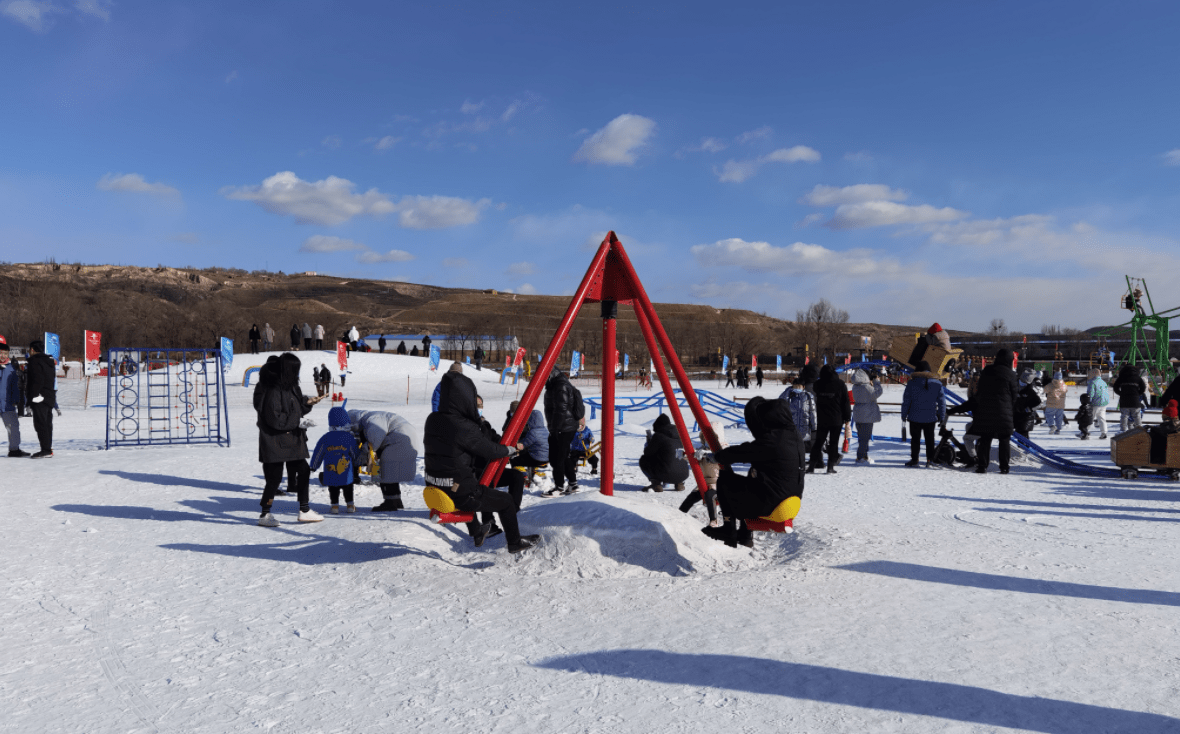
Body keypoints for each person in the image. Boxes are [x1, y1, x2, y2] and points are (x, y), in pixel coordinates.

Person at [423, 370, 539, 553]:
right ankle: (514, 542)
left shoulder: (433, 419)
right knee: (506, 501)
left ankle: (478, 531)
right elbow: (490, 450)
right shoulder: (464, 426)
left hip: (436, 485)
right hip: (461, 493)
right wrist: (508, 450)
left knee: (496, 480)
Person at [703, 396, 805, 548]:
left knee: (725, 480)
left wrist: (717, 457)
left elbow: (742, 452)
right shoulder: (794, 436)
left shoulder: (773, 440)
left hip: (773, 502)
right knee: (751, 481)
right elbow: (754, 450)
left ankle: (728, 530)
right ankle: (745, 536)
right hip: (792, 499)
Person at [256, 352, 323, 526]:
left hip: (291, 439)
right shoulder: (273, 389)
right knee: (274, 479)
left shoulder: (290, 386)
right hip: (275, 440)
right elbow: (275, 418)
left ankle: (305, 509)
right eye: (295, 369)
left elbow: (296, 407)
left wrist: (308, 403)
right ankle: (265, 514)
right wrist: (298, 421)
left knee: (303, 470)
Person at [949, 348, 1018, 474]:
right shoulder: (1011, 374)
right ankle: (1004, 467)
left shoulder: (987, 371)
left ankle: (982, 466)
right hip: (1004, 413)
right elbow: (1014, 396)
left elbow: (979, 393)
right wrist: (1009, 408)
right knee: (1004, 440)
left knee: (985, 440)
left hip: (986, 412)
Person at [350, 408, 420, 512]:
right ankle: (396, 501)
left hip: (399, 441)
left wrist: (362, 450)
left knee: (385, 472)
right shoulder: (374, 416)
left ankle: (390, 503)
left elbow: (375, 439)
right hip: (407, 441)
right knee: (391, 475)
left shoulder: (371, 419)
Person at [310, 405, 361, 514]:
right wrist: (357, 462)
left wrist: (314, 466)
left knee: (333, 488)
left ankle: (335, 506)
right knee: (348, 487)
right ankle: (350, 505)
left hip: (331, 471)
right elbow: (354, 453)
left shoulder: (326, 437)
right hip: (346, 471)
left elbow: (318, 453)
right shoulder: (348, 438)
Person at [544, 367, 584, 494]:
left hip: (563, 427)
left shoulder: (560, 385)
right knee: (563, 457)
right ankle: (573, 484)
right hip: (563, 426)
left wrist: (555, 429)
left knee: (557, 458)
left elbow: (561, 409)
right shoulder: (555, 384)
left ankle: (559, 487)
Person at [679, 425, 727, 526]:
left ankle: (714, 520)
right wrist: (683, 454)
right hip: (704, 483)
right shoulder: (701, 449)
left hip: (719, 482)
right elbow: (693, 456)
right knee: (690, 498)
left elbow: (719, 457)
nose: (707, 441)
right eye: (704, 439)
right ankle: (679, 515)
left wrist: (707, 454)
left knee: (710, 497)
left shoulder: (722, 447)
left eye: (709, 439)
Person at [901, 361, 947, 467]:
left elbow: (906, 401)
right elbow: (942, 402)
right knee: (930, 439)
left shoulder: (911, 383)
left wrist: (904, 415)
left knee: (915, 439)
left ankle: (915, 459)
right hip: (930, 417)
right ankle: (930, 460)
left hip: (914, 416)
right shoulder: (937, 383)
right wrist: (942, 415)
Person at [808, 364, 850, 474]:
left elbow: (815, 389)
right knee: (834, 443)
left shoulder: (818, 384)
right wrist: (847, 417)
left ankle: (811, 466)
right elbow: (845, 402)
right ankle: (830, 467)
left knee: (818, 442)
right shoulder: (840, 384)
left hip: (822, 417)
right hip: (837, 418)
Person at [639, 413, 690, 492]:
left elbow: (648, 453)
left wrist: (648, 443)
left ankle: (656, 484)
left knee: (643, 460)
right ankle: (679, 484)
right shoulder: (680, 434)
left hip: (665, 473)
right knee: (674, 458)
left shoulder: (658, 436)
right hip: (684, 474)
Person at [25, 340, 56, 459]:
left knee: (40, 424)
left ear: (32, 349)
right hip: (49, 396)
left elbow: (36, 380)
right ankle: (47, 448)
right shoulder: (49, 361)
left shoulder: (35, 361)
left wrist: (34, 396)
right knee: (47, 423)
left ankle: (46, 450)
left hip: (40, 397)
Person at [0, 338, 28, 457]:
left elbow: (16, 387)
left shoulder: (11, 368)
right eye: (0, 353)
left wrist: (19, 400)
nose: (3, 355)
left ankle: (14, 449)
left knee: (13, 427)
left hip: (7, 404)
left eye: (5, 353)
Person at [850, 368, 884, 464]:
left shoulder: (855, 386)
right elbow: (878, 392)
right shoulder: (866, 387)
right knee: (865, 438)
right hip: (867, 416)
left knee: (862, 437)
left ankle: (864, 456)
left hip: (858, 415)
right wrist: (877, 382)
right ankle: (860, 457)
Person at [779, 378, 816, 454]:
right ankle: (793, 463)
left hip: (805, 426)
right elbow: (780, 405)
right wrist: (787, 391)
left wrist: (814, 426)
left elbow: (813, 412)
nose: (797, 388)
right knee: (792, 447)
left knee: (802, 448)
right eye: (795, 386)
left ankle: (801, 464)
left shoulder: (808, 396)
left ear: (803, 387)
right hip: (792, 426)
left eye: (799, 386)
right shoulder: (788, 396)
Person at [1112, 364, 1147, 431]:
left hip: (1124, 401)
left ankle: (1123, 431)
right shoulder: (1138, 378)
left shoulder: (1121, 377)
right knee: (1137, 417)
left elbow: (1115, 387)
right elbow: (1143, 388)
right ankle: (1139, 432)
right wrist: (1137, 394)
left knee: (1124, 416)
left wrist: (1121, 393)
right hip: (1135, 400)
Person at [1014, 369, 1042, 438]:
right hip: (1015, 413)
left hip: (1026, 416)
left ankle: (1024, 447)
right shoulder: (1014, 385)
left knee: (1023, 433)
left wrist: (1029, 409)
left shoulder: (1031, 389)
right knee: (1017, 433)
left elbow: (1039, 403)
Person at [1086, 368, 1110, 439]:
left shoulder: (1092, 382)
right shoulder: (1103, 382)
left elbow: (1091, 393)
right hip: (1103, 402)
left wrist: (1088, 402)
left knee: (1090, 418)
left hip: (1095, 402)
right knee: (1102, 418)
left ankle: (1085, 432)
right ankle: (1104, 432)